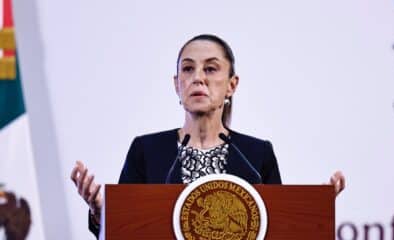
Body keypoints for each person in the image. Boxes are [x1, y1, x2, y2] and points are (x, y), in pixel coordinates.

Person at [70, 34, 345, 238]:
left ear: (231, 85)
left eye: (210, 69)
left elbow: (275, 230)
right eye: (188, 69)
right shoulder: (147, 150)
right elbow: (124, 231)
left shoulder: (256, 154)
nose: (198, 78)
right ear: (177, 84)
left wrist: (312, 209)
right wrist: (100, 213)